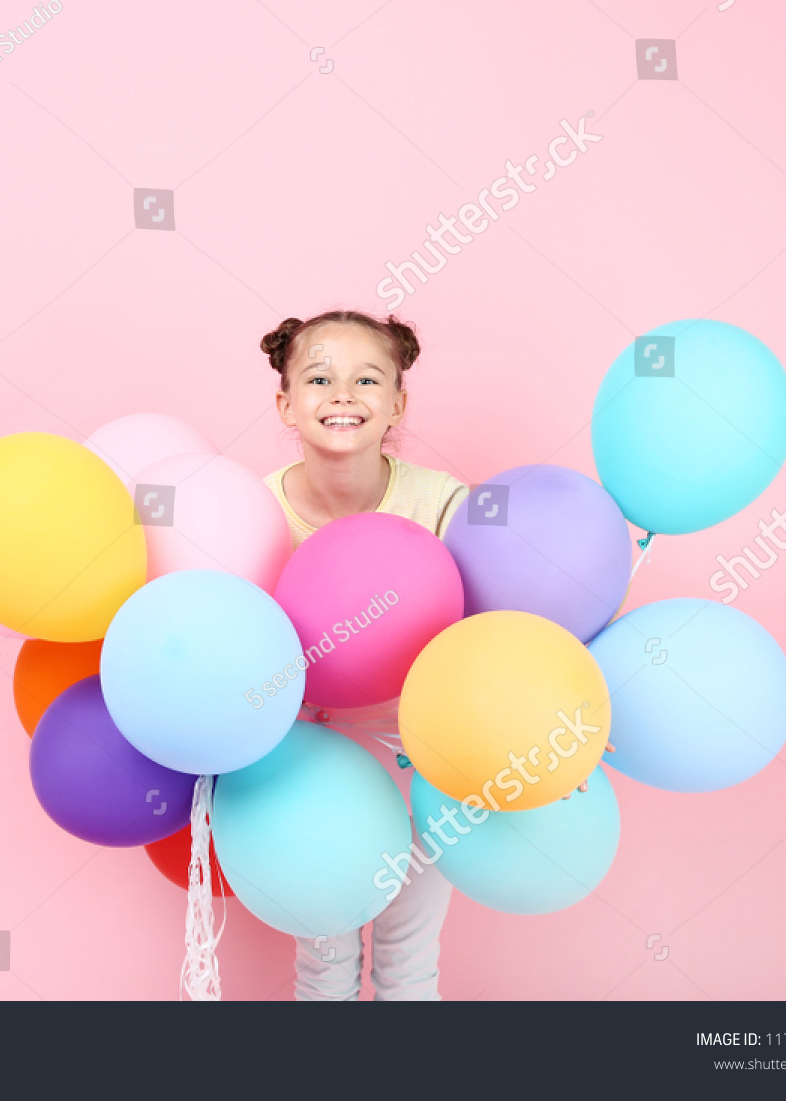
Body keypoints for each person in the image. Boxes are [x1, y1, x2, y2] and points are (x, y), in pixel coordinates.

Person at [260, 309, 466, 1001]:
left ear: (397, 403)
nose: (342, 394)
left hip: (423, 758)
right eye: (319, 378)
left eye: (366, 379)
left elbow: (507, 625)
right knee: (323, 964)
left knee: (409, 963)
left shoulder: (442, 504)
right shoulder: (252, 512)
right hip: (301, 763)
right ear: (287, 402)